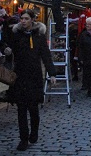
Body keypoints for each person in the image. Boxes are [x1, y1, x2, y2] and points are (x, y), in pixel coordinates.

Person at [8, 9, 57, 151]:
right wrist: (8, 51)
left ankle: (34, 132)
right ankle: (23, 138)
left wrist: (52, 73)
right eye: (21, 18)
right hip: (20, 76)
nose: (23, 21)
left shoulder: (39, 36)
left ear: (32, 20)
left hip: (34, 77)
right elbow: (10, 48)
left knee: (33, 109)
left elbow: (46, 55)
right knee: (21, 109)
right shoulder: (16, 35)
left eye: (26, 18)